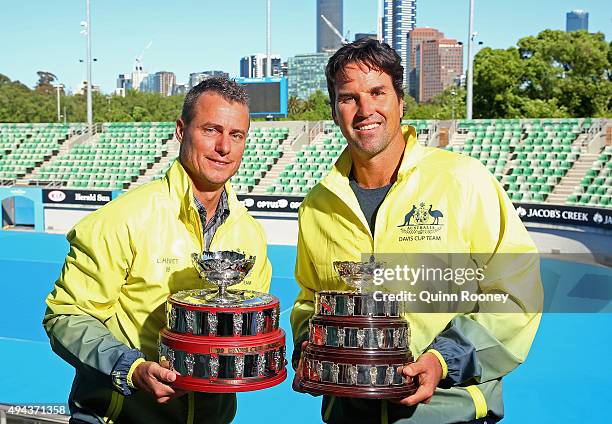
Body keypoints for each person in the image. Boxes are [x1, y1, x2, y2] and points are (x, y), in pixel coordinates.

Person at [290, 38, 542, 424]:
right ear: (334, 110)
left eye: (377, 92)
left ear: (401, 101)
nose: (365, 110)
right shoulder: (317, 205)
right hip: (348, 414)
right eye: (348, 98)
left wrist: (443, 360)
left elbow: (516, 292)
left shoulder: (462, 179)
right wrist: (310, 344)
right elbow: (309, 299)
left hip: (449, 412)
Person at [44, 77, 272, 424]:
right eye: (211, 130)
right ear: (182, 130)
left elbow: (246, 331)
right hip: (118, 417)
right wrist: (131, 368)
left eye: (236, 135)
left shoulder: (250, 235)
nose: (224, 146)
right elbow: (66, 316)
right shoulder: (122, 219)